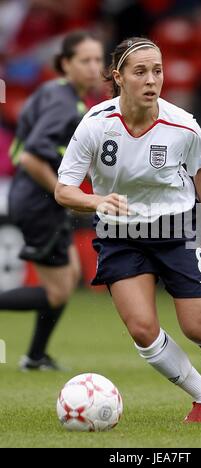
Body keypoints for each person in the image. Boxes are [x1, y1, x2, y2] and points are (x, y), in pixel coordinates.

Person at [55, 37, 201, 422]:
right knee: (142, 329)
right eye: (141, 72)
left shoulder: (182, 125)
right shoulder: (95, 125)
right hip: (120, 233)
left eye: (158, 70)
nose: (152, 80)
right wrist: (95, 202)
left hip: (177, 227)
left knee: (196, 327)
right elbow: (63, 190)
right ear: (119, 77)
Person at [0, 30, 104, 370]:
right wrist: (65, 194)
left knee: (70, 273)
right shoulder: (63, 104)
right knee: (57, 291)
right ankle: (34, 357)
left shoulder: (56, 93)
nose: (93, 67)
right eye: (84, 61)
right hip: (38, 201)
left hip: (38, 199)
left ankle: (35, 356)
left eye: (97, 60)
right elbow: (31, 158)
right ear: (65, 64)